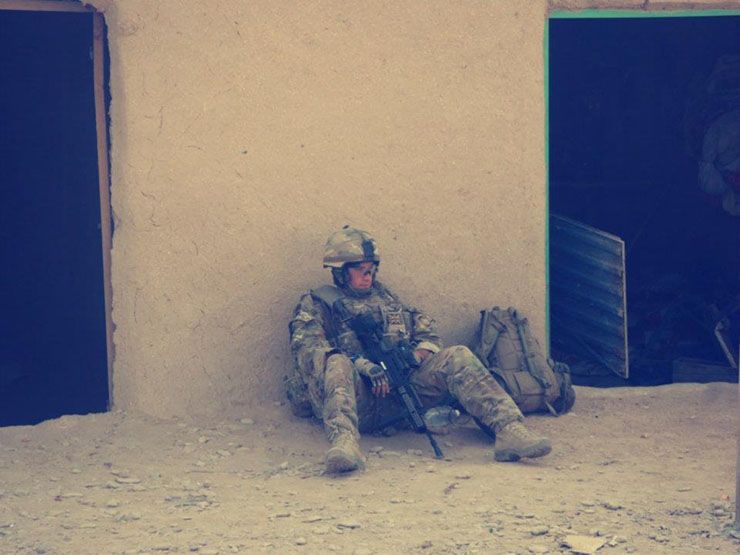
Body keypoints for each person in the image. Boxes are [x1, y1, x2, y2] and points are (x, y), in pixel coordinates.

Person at [289, 226, 552, 473]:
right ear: (340, 272)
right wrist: (361, 366)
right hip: (358, 401)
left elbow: (426, 332)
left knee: (457, 355)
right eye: (360, 270)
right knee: (336, 362)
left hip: (400, 395)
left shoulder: (386, 299)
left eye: (371, 269)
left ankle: (509, 429)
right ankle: (344, 442)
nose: (368, 276)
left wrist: (413, 356)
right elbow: (308, 351)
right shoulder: (318, 303)